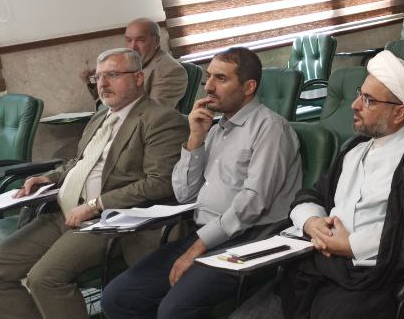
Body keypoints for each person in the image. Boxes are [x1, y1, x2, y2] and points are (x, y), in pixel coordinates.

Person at [234, 51, 404, 319]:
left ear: (399, 112)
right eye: (359, 94)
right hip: (321, 265)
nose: (354, 105)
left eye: (368, 100)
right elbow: (313, 195)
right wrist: (312, 223)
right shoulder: (355, 148)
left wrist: (351, 245)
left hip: (373, 278)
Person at [0, 48, 188, 319]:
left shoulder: (161, 120)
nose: (103, 84)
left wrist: (96, 205)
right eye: (98, 77)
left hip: (108, 221)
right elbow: (80, 161)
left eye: (113, 75)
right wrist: (50, 178)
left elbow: (160, 183)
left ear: (138, 77)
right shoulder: (99, 117)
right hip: (62, 213)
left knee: (44, 279)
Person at [101, 47, 303, 318]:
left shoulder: (270, 129)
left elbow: (252, 203)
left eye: (221, 78)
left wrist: (199, 247)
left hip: (250, 238)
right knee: (117, 297)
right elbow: (184, 194)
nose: (208, 87)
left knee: (174, 310)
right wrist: (195, 139)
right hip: (203, 233)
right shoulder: (215, 129)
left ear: (248, 87)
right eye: (208, 77)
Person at [82, 18, 188, 107]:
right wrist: (98, 80)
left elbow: (153, 113)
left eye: (140, 40)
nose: (133, 47)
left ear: (157, 41)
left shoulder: (171, 71)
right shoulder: (130, 63)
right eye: (129, 40)